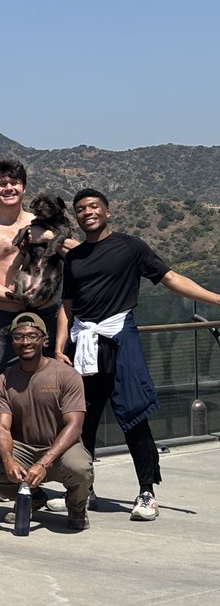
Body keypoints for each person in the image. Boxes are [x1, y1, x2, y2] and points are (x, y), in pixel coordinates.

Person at [55, 189, 220, 522]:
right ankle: (82, 489)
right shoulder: (74, 258)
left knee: (134, 414)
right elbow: (67, 307)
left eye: (94, 206)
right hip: (83, 344)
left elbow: (171, 278)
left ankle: (147, 493)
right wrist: (58, 348)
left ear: (107, 212)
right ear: (77, 217)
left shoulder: (131, 247)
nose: (88, 212)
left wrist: (216, 299)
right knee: (81, 420)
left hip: (120, 339)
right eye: (81, 209)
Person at [0, 313, 93, 531]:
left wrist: (44, 463)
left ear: (44, 340)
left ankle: (76, 507)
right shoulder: (3, 381)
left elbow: (74, 426)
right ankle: (32, 497)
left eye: (32, 336)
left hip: (61, 451)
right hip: (23, 450)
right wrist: (8, 460)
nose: (25, 342)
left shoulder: (67, 375)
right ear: (12, 342)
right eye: (18, 337)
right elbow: (2, 427)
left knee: (80, 468)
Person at [0, 160, 73, 378]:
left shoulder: (45, 221)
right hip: (5, 317)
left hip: (47, 315)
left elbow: (80, 255)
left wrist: (48, 237)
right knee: (5, 383)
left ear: (24, 187)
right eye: (1, 184)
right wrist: (19, 298)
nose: (9, 188)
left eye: (14, 182)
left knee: (52, 382)